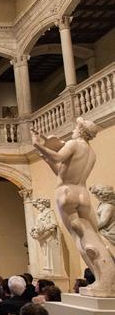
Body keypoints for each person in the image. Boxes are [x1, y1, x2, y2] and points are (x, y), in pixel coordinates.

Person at [32, 117, 115, 295]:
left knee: (81, 240)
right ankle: (106, 280)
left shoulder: (75, 143)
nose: (75, 130)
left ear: (80, 130)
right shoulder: (91, 153)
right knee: (93, 236)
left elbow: (58, 156)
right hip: (82, 193)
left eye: (77, 127)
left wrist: (39, 145)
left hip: (66, 192)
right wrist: (46, 159)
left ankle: (104, 281)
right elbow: (62, 170)